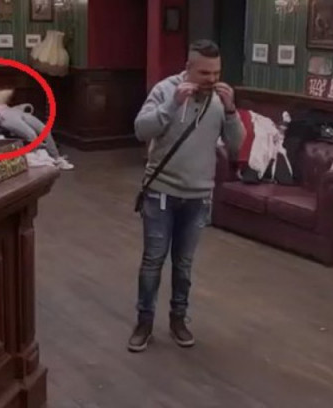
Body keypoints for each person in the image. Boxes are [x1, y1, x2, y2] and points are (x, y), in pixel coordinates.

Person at [128, 39, 244, 352]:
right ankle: (144, 322)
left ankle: (178, 319)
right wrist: (172, 105)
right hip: (161, 193)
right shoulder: (165, 90)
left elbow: (236, 146)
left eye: (216, 72)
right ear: (188, 68)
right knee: (153, 262)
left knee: (183, 265)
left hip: (198, 196)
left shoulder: (220, 100)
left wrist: (231, 111)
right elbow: (141, 130)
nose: (211, 79)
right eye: (204, 73)